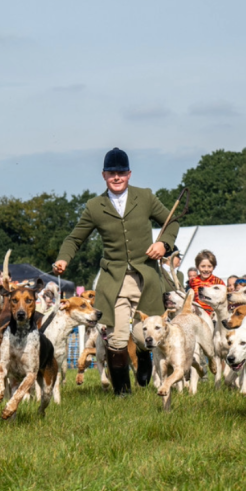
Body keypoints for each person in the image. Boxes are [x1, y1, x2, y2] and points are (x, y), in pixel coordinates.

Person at [53, 148, 180, 396]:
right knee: (116, 339)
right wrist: (63, 258)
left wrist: (163, 244)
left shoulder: (145, 197)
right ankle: (122, 393)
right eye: (112, 173)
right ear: (104, 175)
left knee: (145, 339)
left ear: (129, 174)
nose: (117, 177)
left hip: (147, 279)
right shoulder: (94, 206)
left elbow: (171, 221)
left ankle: (144, 356)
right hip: (114, 282)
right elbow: (75, 238)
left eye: (121, 172)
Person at [189, 250, 225, 315]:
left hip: (213, 315)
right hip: (198, 314)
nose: (206, 269)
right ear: (197, 267)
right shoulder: (193, 282)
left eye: (209, 266)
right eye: (203, 266)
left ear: (213, 267)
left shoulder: (218, 282)